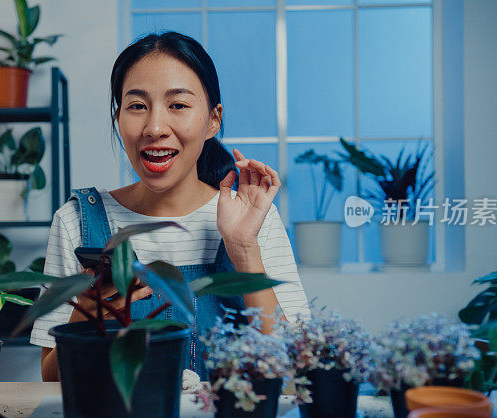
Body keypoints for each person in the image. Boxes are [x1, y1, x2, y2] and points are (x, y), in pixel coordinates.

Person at [30, 31, 309, 382]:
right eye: (137, 106)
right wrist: (89, 313)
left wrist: (243, 249)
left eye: (177, 105)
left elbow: (292, 372)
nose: (155, 127)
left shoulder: (254, 219)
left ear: (213, 119)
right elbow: (53, 379)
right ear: (118, 120)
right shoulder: (76, 221)